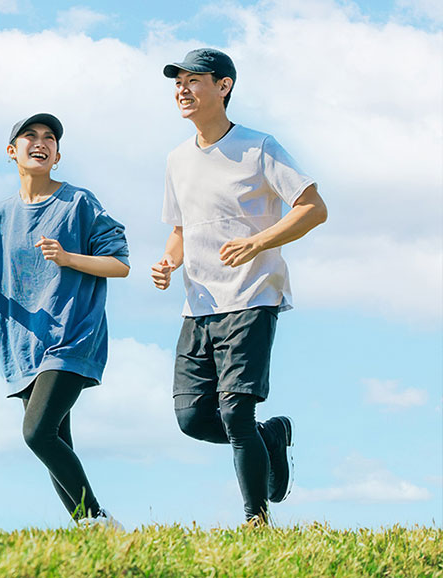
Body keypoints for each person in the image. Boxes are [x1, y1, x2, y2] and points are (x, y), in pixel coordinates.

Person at [152, 49, 328, 526]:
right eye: (178, 83)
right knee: (192, 419)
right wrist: (168, 262)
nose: (182, 90)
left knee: (235, 411)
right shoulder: (176, 159)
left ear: (223, 86)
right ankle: (269, 438)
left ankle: (256, 520)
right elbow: (180, 230)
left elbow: (313, 208)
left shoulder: (259, 146)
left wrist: (258, 242)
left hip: (252, 296)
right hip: (198, 305)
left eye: (193, 80)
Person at [0, 113, 130, 528]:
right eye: (30, 136)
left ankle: (97, 518)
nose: (41, 142)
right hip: (24, 345)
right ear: (12, 151)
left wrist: (68, 257)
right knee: (56, 439)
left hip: (73, 336)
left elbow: (120, 264)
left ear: (57, 156)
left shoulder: (79, 203)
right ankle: (91, 532)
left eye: (49, 138)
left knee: (37, 433)